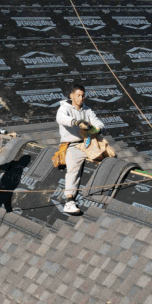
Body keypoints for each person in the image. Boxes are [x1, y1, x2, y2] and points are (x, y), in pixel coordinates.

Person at [55, 84, 105, 216]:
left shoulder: (87, 110)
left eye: (83, 95)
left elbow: (98, 122)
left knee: (108, 158)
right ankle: (69, 201)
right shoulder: (64, 108)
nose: (81, 98)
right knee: (73, 169)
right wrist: (76, 122)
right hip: (73, 145)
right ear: (71, 95)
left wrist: (97, 129)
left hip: (89, 142)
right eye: (78, 95)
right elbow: (60, 118)